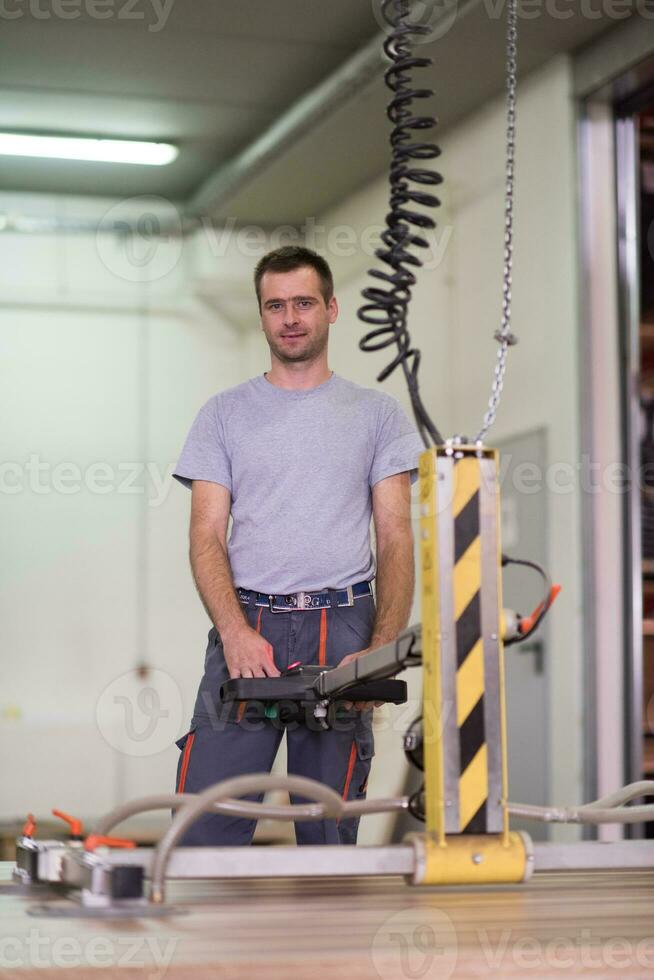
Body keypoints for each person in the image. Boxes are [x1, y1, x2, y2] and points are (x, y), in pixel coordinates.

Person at [172, 245, 424, 846]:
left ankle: (330, 942)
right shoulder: (223, 415)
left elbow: (394, 537)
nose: (290, 317)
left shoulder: (378, 415)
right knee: (209, 822)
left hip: (343, 627)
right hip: (249, 623)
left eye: (304, 302)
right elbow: (205, 534)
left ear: (331, 309)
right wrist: (233, 631)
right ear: (261, 316)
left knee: (329, 827)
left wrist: (381, 649)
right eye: (276, 305)